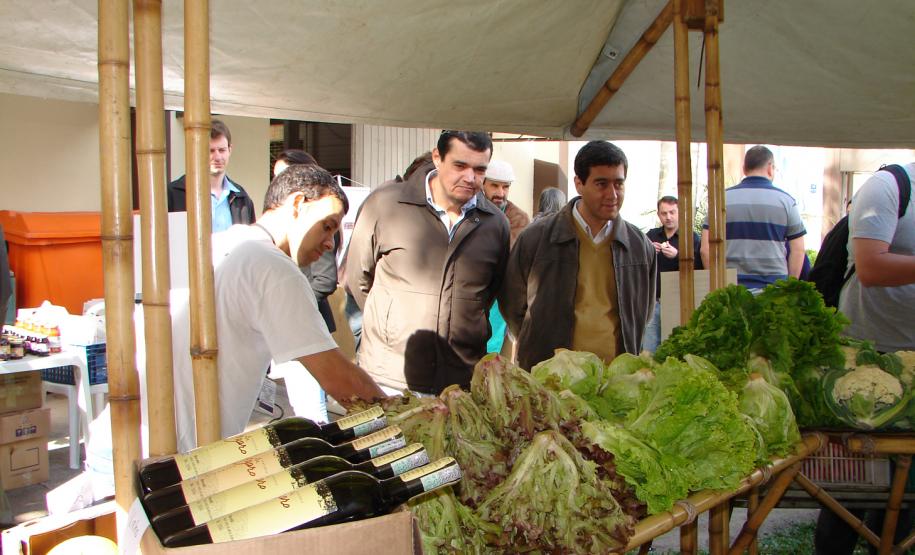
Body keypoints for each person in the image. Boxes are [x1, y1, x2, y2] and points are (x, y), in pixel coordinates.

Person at [170, 164, 384, 452]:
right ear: (297, 203)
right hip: (176, 451)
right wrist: (404, 415)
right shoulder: (271, 266)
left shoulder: (225, 241)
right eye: (327, 225)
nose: (329, 243)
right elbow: (338, 378)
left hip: (134, 435)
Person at [345, 131, 509, 395]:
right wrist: (391, 326)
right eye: (460, 165)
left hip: (459, 380)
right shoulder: (386, 204)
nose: (470, 177)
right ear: (437, 158)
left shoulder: (495, 224)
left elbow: (489, 293)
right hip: (390, 377)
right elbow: (358, 279)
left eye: (480, 169)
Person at [815, 161, 915, 555]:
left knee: (907, 492)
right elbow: (871, 266)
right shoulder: (889, 185)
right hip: (865, 355)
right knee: (850, 489)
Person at [500, 140, 656, 370]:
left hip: (616, 378)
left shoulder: (639, 246)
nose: (612, 194)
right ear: (579, 183)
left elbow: (644, 312)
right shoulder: (537, 238)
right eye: (601, 184)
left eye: (619, 184)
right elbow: (513, 306)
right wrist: (539, 342)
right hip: (551, 376)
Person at [271, 149, 337, 423]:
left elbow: (326, 279)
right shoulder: (265, 260)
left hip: (309, 332)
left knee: (312, 412)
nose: (330, 243)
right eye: (326, 228)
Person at [701, 145, 806, 291]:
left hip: (731, 289)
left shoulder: (721, 200)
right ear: (770, 168)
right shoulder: (787, 201)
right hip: (774, 289)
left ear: (744, 168)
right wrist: (788, 288)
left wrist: (718, 286)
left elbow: (706, 250)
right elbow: (798, 250)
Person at [167, 119, 256, 232]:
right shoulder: (173, 195)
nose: (217, 157)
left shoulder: (242, 198)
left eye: (222, 150)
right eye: (211, 151)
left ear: (230, 150)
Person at [481, 160, 529, 354]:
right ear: (483, 183)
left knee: (492, 354)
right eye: (494, 185)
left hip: (499, 299)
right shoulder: (468, 210)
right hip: (470, 295)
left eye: (505, 186)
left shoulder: (519, 219)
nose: (500, 192)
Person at [642, 195, 702, 352]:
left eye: (672, 212)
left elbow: (699, 269)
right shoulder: (651, 236)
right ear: (658, 214)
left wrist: (678, 256)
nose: (668, 217)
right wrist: (647, 252)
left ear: (680, 213)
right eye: (664, 213)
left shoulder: (691, 238)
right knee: (649, 350)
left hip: (679, 302)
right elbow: (639, 265)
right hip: (653, 301)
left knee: (674, 348)